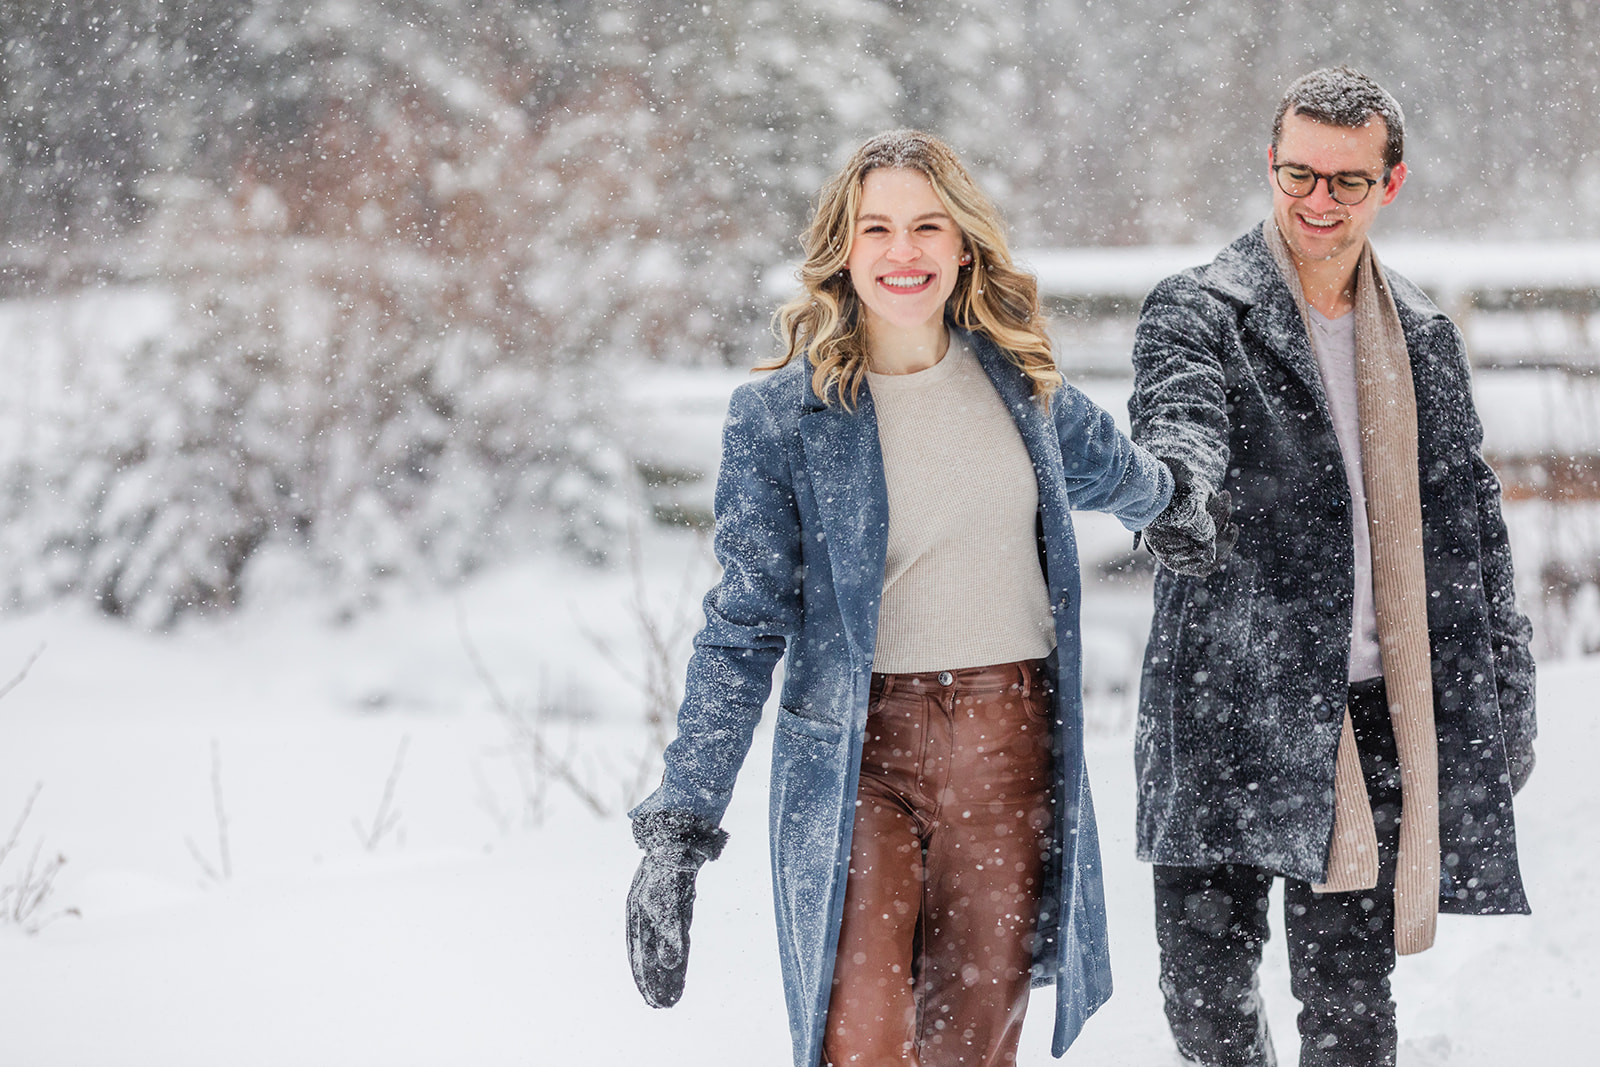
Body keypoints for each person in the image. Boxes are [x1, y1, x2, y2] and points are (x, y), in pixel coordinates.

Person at [625, 130, 1225, 1067]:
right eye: (877, 230)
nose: (902, 252)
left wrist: (1177, 502)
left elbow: (1120, 473)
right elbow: (743, 623)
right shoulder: (784, 420)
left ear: (962, 245)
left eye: (926, 226)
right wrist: (679, 826)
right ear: (843, 250)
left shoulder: (1021, 384)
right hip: (862, 759)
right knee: (863, 1042)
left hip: (1010, 752)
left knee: (970, 1052)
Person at [1126, 67, 1537, 1067]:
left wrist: (1508, 681)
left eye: (1346, 181)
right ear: (1270, 166)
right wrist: (1177, 491)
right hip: (1220, 700)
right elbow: (1179, 421)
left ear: (1387, 185)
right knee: (1208, 1002)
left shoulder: (1423, 335)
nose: (1319, 199)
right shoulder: (1198, 312)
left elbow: (1468, 524)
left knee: (1351, 1008)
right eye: (1300, 173)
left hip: (1361, 717)